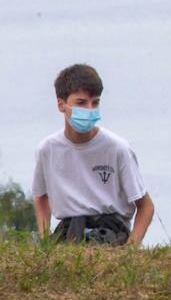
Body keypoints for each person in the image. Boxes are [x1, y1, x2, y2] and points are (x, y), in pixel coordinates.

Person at [32, 64, 155, 245]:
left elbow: (145, 206)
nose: (90, 109)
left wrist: (130, 249)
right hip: (68, 231)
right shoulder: (47, 149)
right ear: (61, 105)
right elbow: (40, 196)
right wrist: (44, 241)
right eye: (81, 103)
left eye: (95, 102)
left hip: (111, 231)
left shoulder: (117, 148)